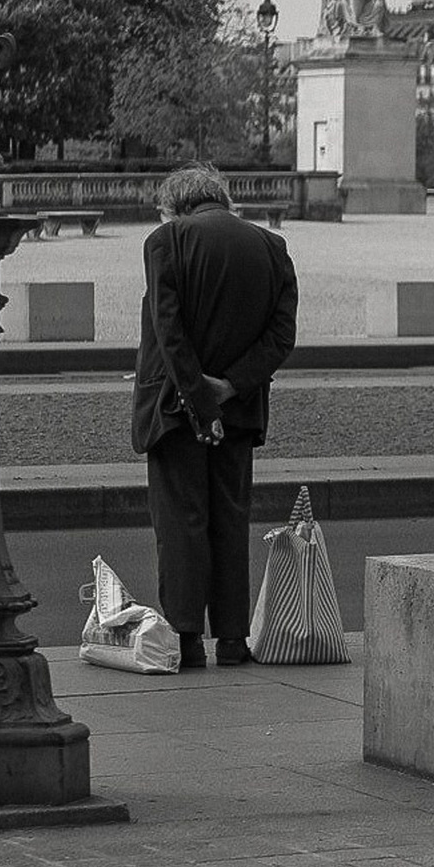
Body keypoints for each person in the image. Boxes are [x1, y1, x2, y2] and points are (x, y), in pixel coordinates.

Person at [130, 163, 298, 668]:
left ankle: (185, 638)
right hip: (240, 409)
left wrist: (198, 398)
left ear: (176, 205)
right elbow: (280, 336)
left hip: (175, 410)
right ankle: (231, 638)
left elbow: (169, 330)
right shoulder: (272, 247)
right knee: (230, 520)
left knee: (181, 523)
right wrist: (230, 387)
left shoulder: (167, 241)